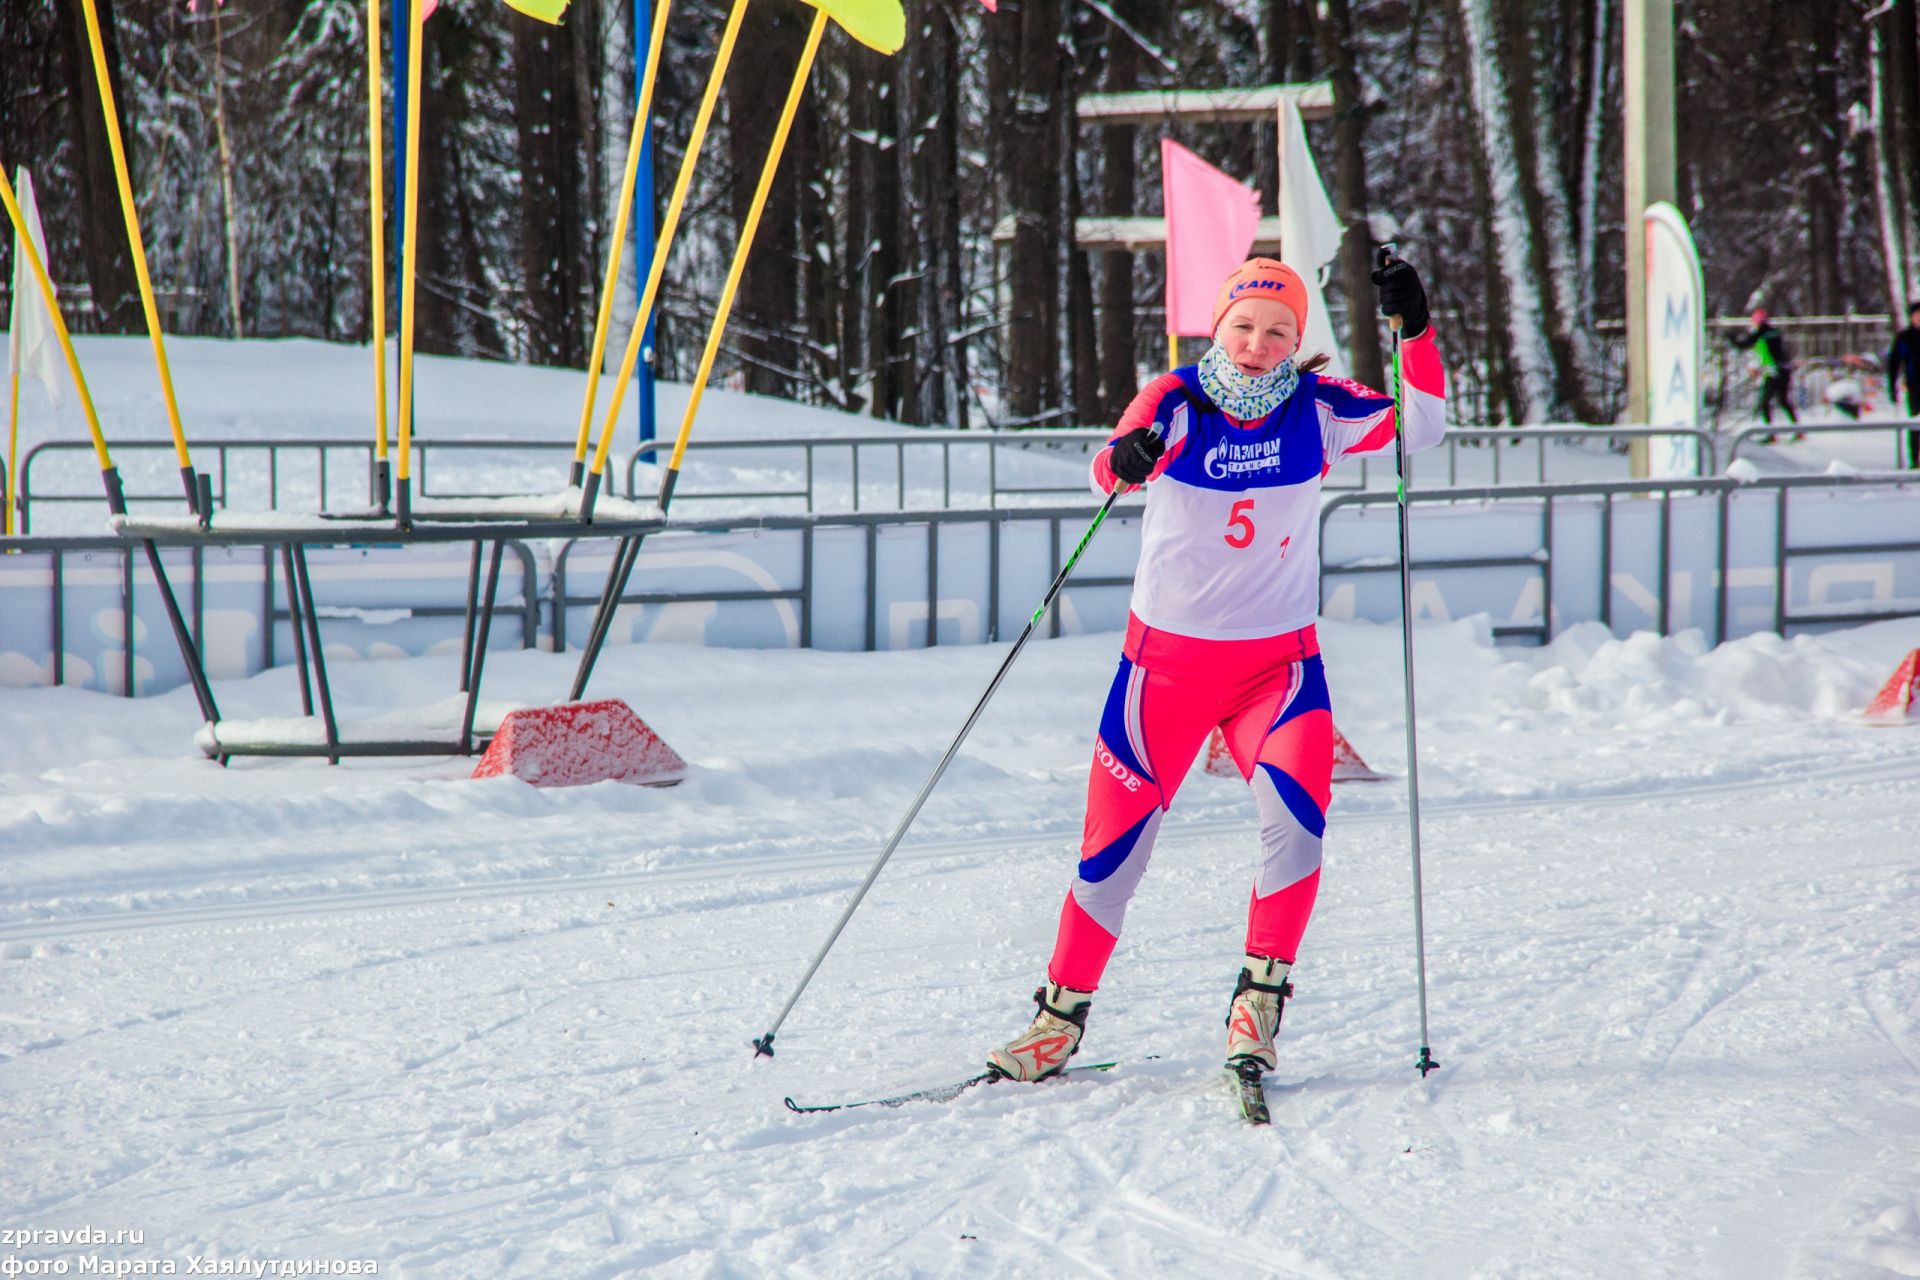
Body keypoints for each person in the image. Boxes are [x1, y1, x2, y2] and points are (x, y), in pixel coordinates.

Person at [985, 253, 1447, 1085]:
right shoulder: (1178, 399)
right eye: (1243, 326)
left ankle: (1257, 1006)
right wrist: (1125, 461)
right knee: (1112, 855)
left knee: (1297, 830)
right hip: (1162, 671)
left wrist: (1415, 329)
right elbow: (1108, 464)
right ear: (1217, 327)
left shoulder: (1320, 410)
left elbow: (1423, 430)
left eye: (1278, 332)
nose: (1258, 344)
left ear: (1297, 340)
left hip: (1278, 671)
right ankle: (1057, 1021)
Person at [1730, 307, 1801, 440]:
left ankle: (1771, 433)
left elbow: (1744, 345)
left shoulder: (1761, 333)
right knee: (1783, 400)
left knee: (1765, 402)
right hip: (1783, 369)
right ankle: (1798, 430)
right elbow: (1771, 353)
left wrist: (1731, 338)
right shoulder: (1773, 332)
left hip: (1775, 371)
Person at [1889, 301, 1920, 469]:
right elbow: (1894, 363)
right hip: (1915, 387)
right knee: (1915, 423)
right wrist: (1892, 386)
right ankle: (1915, 458)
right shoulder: (1905, 338)